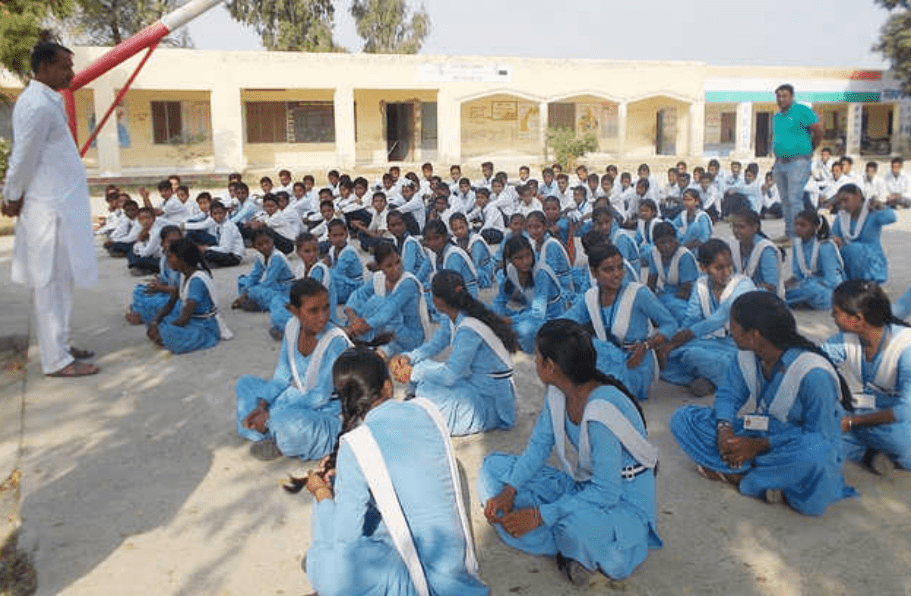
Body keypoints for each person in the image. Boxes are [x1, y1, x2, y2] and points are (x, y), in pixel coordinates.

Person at [479, 319, 661, 584]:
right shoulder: (558, 392)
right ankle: (570, 549)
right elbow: (539, 446)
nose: (534, 361)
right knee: (492, 467)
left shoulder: (602, 408)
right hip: (584, 487)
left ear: (550, 366)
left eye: (537, 357)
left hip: (620, 501)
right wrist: (509, 490)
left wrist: (540, 515)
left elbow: (607, 492)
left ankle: (574, 543)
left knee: (578, 531)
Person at [300, 347, 489, 596]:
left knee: (329, 562)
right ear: (388, 387)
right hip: (452, 563)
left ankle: (320, 562)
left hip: (422, 578)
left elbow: (346, 540)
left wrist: (322, 494)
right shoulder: (425, 409)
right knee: (347, 504)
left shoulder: (356, 444)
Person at [671, 291, 857, 515]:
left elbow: (822, 435)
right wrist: (724, 430)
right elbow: (728, 395)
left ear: (754, 335)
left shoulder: (813, 374)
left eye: (734, 326)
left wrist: (758, 446)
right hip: (761, 428)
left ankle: (743, 475)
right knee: (684, 419)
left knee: (814, 455)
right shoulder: (748, 355)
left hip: (799, 442)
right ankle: (762, 476)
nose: (730, 331)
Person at [1, 42, 99, 376]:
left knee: (61, 285)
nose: (71, 73)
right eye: (64, 66)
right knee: (51, 287)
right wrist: (11, 195)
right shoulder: (36, 105)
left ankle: (61, 346)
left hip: (59, 209)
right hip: (49, 214)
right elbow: (23, 157)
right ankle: (57, 361)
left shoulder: (47, 101)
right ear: (42, 67)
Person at [389, 270, 518, 436]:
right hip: (475, 383)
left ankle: (422, 403)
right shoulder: (454, 315)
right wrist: (409, 357)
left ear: (438, 300)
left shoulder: (467, 328)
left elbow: (450, 376)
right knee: (423, 369)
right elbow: (435, 344)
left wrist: (413, 373)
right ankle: (420, 398)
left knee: (429, 390)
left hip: (490, 399)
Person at [236, 279, 352, 461]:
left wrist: (270, 415)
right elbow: (282, 377)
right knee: (245, 384)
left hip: (329, 412)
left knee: (288, 421)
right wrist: (261, 406)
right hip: (302, 400)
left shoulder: (335, 341)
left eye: (326, 308)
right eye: (313, 311)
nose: (322, 316)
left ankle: (272, 431)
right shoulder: (291, 328)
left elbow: (320, 396)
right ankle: (269, 430)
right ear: (294, 311)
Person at [562, 244, 676, 401]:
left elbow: (670, 324)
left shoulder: (638, 293)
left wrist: (646, 346)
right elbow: (565, 321)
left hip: (634, 362)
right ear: (594, 273)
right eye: (608, 270)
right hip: (606, 358)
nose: (617, 274)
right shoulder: (590, 297)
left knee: (598, 396)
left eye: (620, 267)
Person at [821, 281, 911, 474]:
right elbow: (815, 364)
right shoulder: (845, 339)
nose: (832, 316)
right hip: (870, 410)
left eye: (836, 312)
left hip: (900, 420)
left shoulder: (906, 348)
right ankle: (870, 454)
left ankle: (867, 446)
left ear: (858, 319)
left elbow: (905, 411)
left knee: (900, 441)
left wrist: (852, 423)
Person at [659, 239, 756, 397]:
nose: (726, 272)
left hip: (738, 345)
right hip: (707, 342)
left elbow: (718, 318)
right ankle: (708, 379)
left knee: (701, 357)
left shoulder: (743, 285)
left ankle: (710, 378)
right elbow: (691, 319)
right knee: (665, 358)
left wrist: (676, 340)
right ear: (704, 268)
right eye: (719, 268)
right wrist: (671, 343)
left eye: (729, 265)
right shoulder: (701, 285)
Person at [146, 239, 232, 354]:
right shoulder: (183, 275)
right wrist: (155, 322)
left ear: (182, 259)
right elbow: (170, 304)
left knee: (168, 331)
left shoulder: (196, 281)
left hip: (205, 327)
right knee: (158, 319)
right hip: (193, 320)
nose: (168, 261)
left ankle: (171, 339)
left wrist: (162, 330)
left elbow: (184, 319)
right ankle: (166, 337)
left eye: (171, 257)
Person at [343, 243, 429, 358]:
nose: (396, 269)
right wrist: (353, 318)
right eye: (389, 266)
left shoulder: (408, 282)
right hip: (386, 331)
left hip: (408, 336)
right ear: (379, 267)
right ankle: (365, 342)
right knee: (369, 306)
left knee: (378, 303)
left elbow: (388, 312)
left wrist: (360, 327)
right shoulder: (378, 278)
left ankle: (361, 340)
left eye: (398, 262)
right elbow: (358, 295)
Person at [493, 235, 567, 353]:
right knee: (488, 310)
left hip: (550, 317)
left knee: (524, 330)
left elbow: (538, 314)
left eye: (528, 255)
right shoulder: (511, 270)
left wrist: (509, 320)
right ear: (510, 259)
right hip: (529, 312)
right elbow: (500, 299)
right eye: (519, 258)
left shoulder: (541, 273)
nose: (526, 261)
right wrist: (496, 315)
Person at [772, 83, 823, 240]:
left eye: (784, 96)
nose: (781, 99)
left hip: (798, 162)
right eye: (778, 96)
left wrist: (810, 150)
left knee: (795, 199)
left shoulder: (802, 111)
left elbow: (818, 130)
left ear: (792, 96)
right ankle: (789, 233)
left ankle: (799, 236)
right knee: (785, 201)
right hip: (780, 163)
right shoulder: (777, 116)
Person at [269, 232, 338, 337]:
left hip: (318, 310)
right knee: (276, 300)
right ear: (298, 253)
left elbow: (311, 298)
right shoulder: (300, 268)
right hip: (306, 306)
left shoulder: (318, 269)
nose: (312, 254)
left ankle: (296, 330)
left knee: (283, 316)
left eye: (315, 250)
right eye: (307, 251)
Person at [830, 184, 896, 284]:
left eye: (846, 200)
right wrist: (835, 240)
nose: (843, 205)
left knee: (854, 249)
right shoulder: (841, 217)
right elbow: (834, 236)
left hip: (870, 261)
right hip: (848, 257)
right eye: (841, 202)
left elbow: (891, 218)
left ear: (858, 197)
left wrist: (881, 206)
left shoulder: (871, 211)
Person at [785, 209, 844, 310]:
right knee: (783, 291)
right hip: (806, 284)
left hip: (826, 287)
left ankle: (801, 301)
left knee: (815, 291)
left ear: (815, 227)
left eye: (803, 225)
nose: (798, 228)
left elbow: (832, 279)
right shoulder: (797, 245)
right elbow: (798, 274)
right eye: (796, 225)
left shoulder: (825, 245)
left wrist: (812, 284)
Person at [125, 225, 183, 325]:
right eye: (170, 242)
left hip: (180, 297)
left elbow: (185, 290)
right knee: (139, 290)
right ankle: (143, 310)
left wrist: (161, 288)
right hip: (167, 292)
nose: (174, 245)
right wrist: (157, 283)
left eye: (178, 242)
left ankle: (143, 315)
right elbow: (165, 278)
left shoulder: (185, 260)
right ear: (162, 243)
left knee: (174, 306)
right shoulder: (164, 258)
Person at [646, 222, 698, 323]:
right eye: (662, 242)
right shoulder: (654, 254)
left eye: (670, 241)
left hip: (687, 298)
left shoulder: (684, 256)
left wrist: (661, 299)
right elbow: (651, 284)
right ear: (655, 243)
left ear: (676, 240)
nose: (667, 246)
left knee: (676, 310)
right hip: (668, 294)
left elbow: (686, 292)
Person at [234, 230, 295, 312]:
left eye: (267, 242)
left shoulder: (277, 257)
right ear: (254, 246)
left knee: (259, 292)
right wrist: (245, 291)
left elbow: (269, 282)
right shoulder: (260, 257)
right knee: (243, 281)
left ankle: (257, 302)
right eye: (260, 245)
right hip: (273, 286)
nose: (265, 246)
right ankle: (251, 300)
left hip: (285, 287)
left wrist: (248, 292)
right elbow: (255, 276)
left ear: (272, 242)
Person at [729, 209, 783, 296]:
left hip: (761, 295)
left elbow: (771, 285)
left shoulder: (765, 249)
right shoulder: (733, 245)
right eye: (734, 226)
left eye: (741, 227)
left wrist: (745, 289)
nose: (736, 230)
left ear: (754, 227)